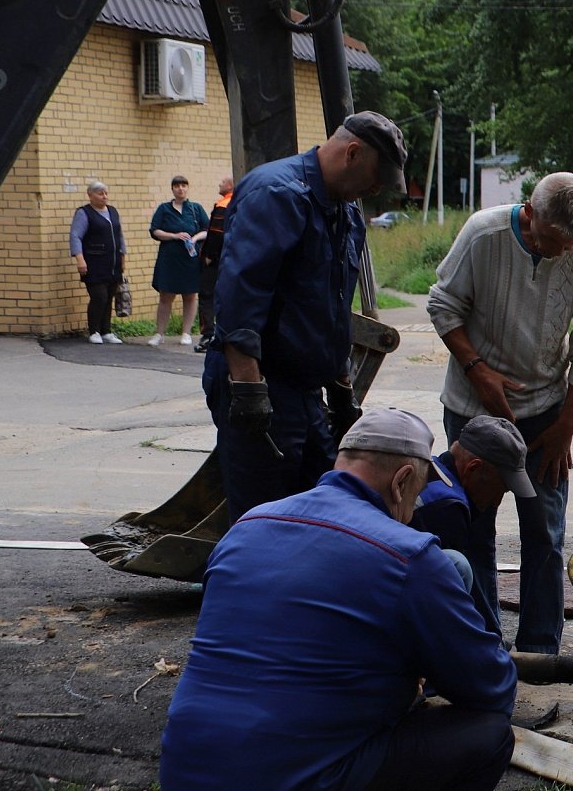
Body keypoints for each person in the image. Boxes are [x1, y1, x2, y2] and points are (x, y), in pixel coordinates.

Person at [159, 408, 517, 791]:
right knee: (487, 737)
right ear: (401, 481)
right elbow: (490, 688)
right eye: (416, 497)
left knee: (258, 700)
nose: (414, 509)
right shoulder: (407, 555)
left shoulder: (248, 526)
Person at [426, 173, 573, 655]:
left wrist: (565, 425)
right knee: (470, 530)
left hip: (545, 417)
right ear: (529, 211)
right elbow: (443, 304)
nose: (557, 252)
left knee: (545, 532)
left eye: (568, 244)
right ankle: (480, 649)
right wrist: (477, 369)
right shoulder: (483, 233)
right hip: (472, 411)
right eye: (549, 240)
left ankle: (538, 654)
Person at [203, 111, 408, 522]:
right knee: (264, 520)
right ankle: (251, 586)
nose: (376, 188)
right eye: (376, 177)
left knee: (322, 514)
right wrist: (248, 390)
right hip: (261, 384)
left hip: (307, 391)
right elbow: (241, 297)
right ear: (352, 153)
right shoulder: (275, 194)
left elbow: (332, 308)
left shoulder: (344, 212)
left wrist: (341, 387)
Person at [412, 414, 537, 640]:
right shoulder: (448, 509)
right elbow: (447, 600)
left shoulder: (432, 471)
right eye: (500, 489)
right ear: (473, 468)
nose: (497, 501)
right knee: (456, 568)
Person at [147, 175, 209, 347]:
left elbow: (207, 229)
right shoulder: (164, 209)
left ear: (187, 188)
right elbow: (155, 230)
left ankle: (186, 333)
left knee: (190, 295)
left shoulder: (196, 209)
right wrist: (174, 236)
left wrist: (195, 238)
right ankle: (159, 333)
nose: (180, 189)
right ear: (172, 189)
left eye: (183, 185)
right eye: (177, 186)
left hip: (190, 259)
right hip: (169, 258)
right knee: (166, 295)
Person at [69, 181, 126, 344]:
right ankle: (93, 330)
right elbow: (75, 236)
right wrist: (79, 259)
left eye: (106, 193)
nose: (104, 196)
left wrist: (123, 257)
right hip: (93, 262)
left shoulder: (113, 211)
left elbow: (120, 236)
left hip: (113, 261)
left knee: (109, 296)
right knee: (99, 296)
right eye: (100, 193)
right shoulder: (84, 213)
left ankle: (106, 331)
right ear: (90, 195)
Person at [196, 175, 233, 353]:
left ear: (230, 185)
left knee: (207, 296)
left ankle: (208, 335)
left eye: (222, 181)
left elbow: (217, 232)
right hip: (233, 258)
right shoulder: (241, 200)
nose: (219, 183)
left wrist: (209, 255)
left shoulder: (223, 204)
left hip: (217, 260)